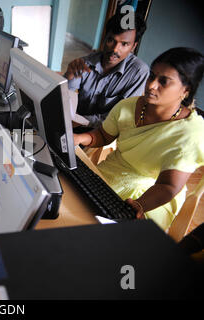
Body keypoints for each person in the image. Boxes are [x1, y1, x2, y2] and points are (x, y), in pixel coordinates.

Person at [73, 47, 204, 230]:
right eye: (151, 76)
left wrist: (139, 205)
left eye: (163, 81)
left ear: (185, 90)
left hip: (153, 196)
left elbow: (168, 186)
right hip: (110, 173)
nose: (151, 85)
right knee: (73, 208)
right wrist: (80, 138)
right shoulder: (129, 106)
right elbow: (103, 135)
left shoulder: (190, 133)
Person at [65, 12, 149, 130]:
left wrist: (81, 122)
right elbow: (63, 101)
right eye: (111, 40)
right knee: (32, 137)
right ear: (104, 37)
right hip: (75, 123)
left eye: (124, 44)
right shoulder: (86, 63)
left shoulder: (138, 72)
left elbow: (120, 118)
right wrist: (68, 77)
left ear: (133, 46)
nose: (115, 49)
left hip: (105, 132)